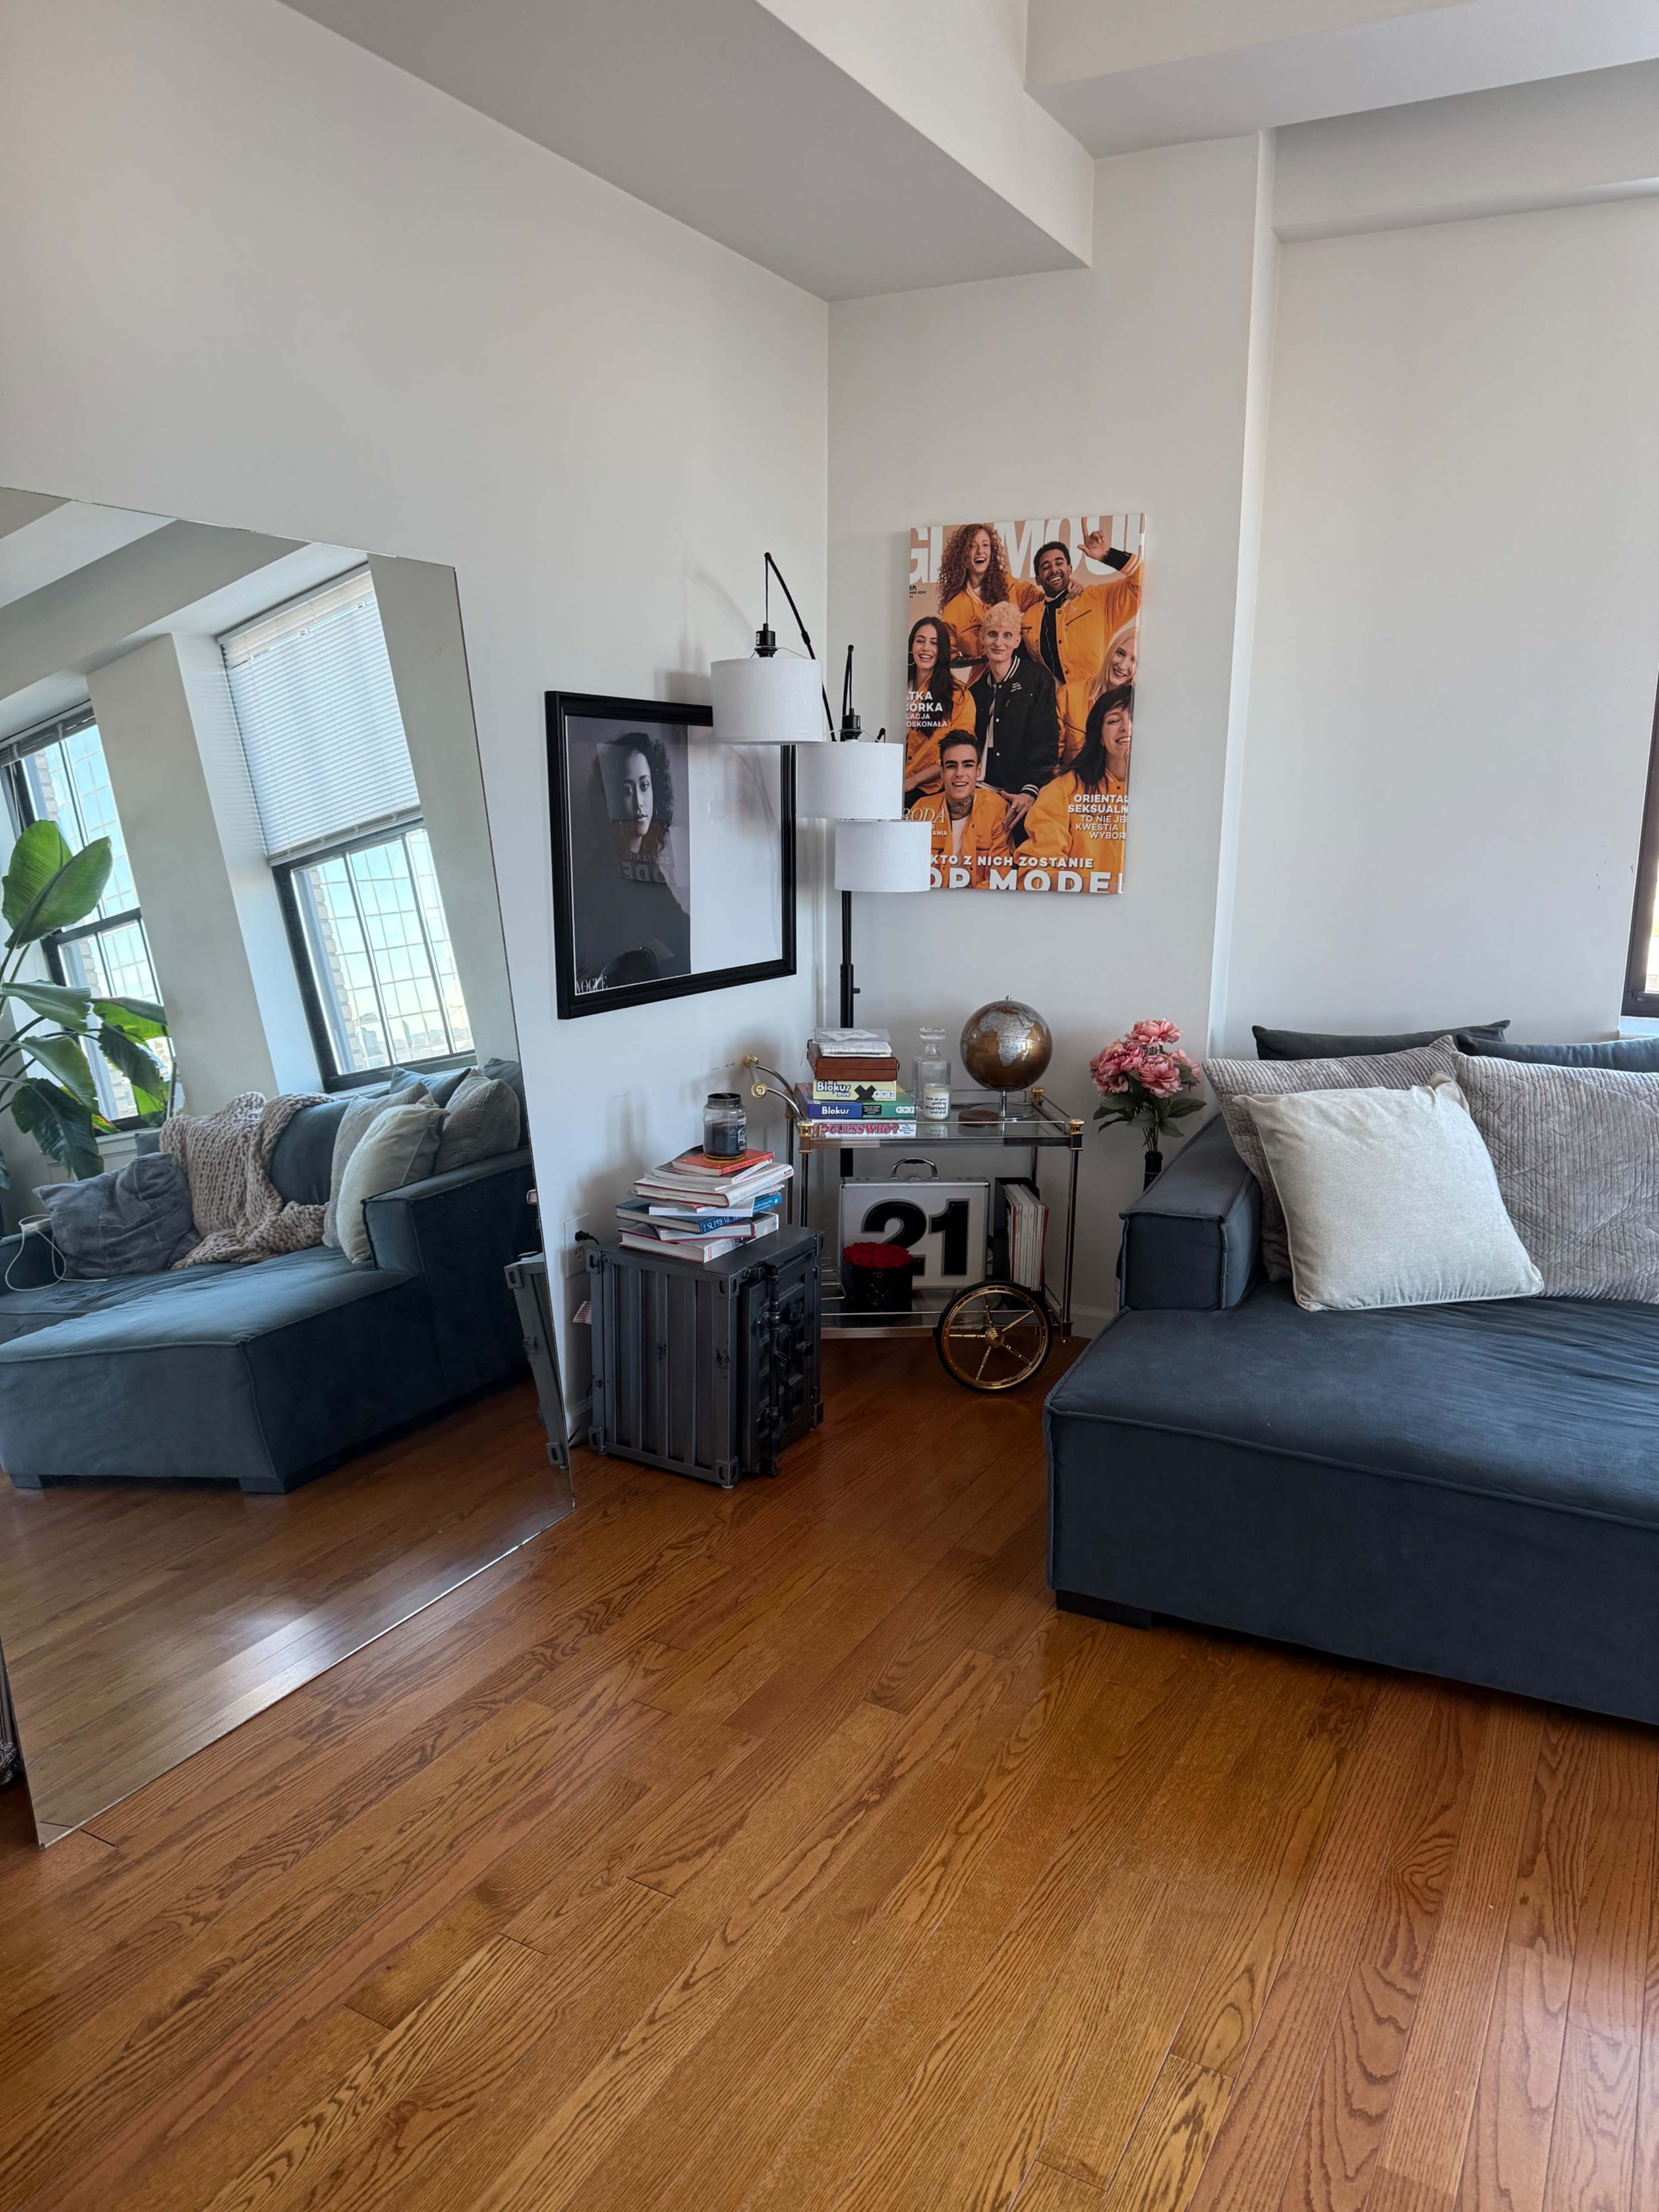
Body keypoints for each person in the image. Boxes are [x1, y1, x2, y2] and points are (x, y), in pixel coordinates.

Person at [570, 731, 690, 991]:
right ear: (612, 799)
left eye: (644, 786)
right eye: (628, 790)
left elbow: (678, 929)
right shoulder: (602, 871)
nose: (639, 802)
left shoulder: (644, 866)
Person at [1019, 530, 1142, 765]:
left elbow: (1142, 583)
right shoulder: (1029, 618)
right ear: (1038, 578)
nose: (1054, 570)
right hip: (1058, 719)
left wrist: (1108, 555)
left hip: (1102, 707)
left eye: (1059, 563)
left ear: (1070, 568)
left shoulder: (1097, 599)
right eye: (1046, 567)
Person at [1018, 685, 1132, 892]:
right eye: (1114, 721)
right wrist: (1109, 891)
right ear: (1099, 736)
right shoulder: (1063, 790)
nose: (1126, 727)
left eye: (1134, 718)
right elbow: (1037, 874)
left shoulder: (1170, 794)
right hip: (1079, 909)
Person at [966, 602, 1059, 843]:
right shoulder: (975, 691)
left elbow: (1046, 741)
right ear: (982, 638)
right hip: (980, 790)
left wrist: (1030, 790)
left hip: (1021, 791)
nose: (999, 643)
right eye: (993, 634)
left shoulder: (1037, 678)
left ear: (1018, 640)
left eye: (1007, 635)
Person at [907, 730, 1006, 889]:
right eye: (952, 766)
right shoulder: (922, 810)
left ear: (979, 771)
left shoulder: (997, 810)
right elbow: (907, 870)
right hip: (930, 901)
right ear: (942, 772)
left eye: (968, 765)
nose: (960, 774)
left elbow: (1000, 877)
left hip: (980, 902)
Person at [935, 523, 1040, 670]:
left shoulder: (1008, 583)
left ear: (992, 551)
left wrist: (1068, 586)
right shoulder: (953, 609)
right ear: (962, 555)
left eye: (985, 545)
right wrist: (985, 659)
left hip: (1024, 670)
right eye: (972, 546)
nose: (980, 551)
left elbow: (1043, 600)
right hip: (985, 678)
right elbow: (949, 658)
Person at [903, 614, 974, 804]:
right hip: (892, 781)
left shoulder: (959, 696)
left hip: (930, 790)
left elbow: (959, 752)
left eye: (934, 643)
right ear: (911, 646)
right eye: (920, 641)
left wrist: (913, 781)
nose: (926, 648)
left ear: (942, 650)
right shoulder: (897, 688)